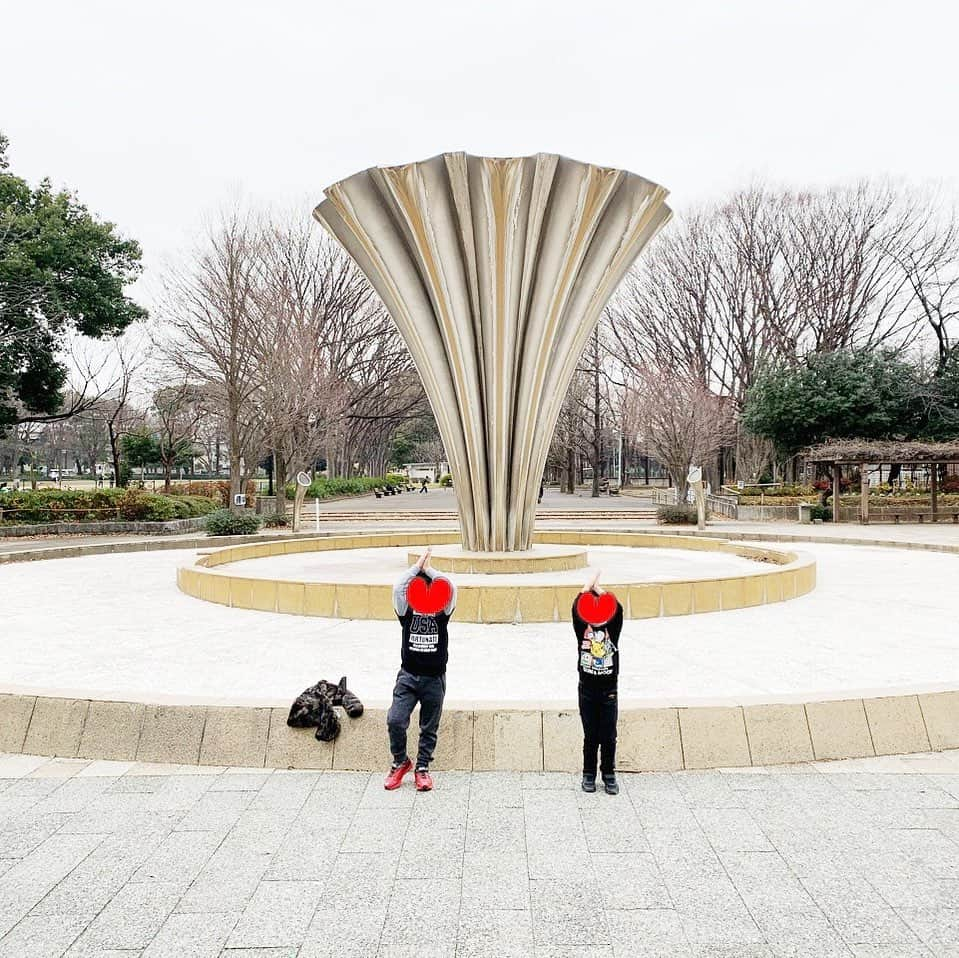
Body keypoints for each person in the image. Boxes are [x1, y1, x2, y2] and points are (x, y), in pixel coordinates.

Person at [385, 546, 456, 792]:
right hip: (408, 676)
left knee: (429, 727)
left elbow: (449, 586)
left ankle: (423, 768)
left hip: (434, 678)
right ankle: (400, 762)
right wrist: (416, 568)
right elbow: (397, 588)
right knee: (395, 720)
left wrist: (430, 570)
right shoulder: (406, 611)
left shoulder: (443, 612)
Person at [571, 568, 624, 795]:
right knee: (590, 735)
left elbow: (617, 608)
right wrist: (587, 588)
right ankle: (589, 774)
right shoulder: (581, 627)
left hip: (608, 690)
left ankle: (609, 774)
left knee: (609, 735)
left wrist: (598, 588)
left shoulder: (613, 627)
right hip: (587, 689)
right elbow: (576, 606)